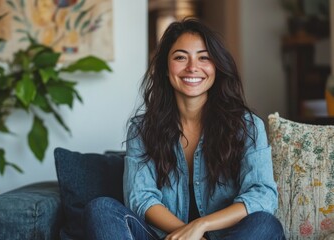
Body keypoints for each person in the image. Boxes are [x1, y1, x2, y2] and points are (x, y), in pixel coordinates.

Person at [84, 18, 285, 240]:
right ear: (165, 67)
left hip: (229, 236)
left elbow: (263, 194)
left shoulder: (246, 126)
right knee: (101, 208)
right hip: (165, 237)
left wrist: (201, 225)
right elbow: (140, 198)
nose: (192, 67)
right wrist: (188, 235)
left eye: (204, 57)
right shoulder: (142, 129)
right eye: (180, 57)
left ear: (216, 66)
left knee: (265, 224)